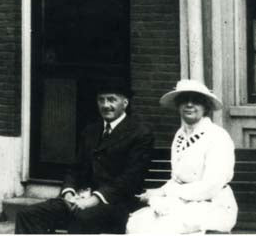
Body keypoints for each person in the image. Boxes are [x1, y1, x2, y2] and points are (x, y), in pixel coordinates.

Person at [15, 79, 154, 234]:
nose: (106, 105)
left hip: (117, 203)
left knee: (82, 218)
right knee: (27, 215)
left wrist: (94, 199)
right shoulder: (90, 131)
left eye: (112, 100)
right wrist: (68, 192)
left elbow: (130, 179)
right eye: (101, 100)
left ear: (125, 102)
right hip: (81, 200)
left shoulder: (140, 133)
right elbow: (74, 169)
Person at [126, 79, 238, 234]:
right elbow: (177, 179)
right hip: (183, 203)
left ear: (205, 107)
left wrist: (167, 194)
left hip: (213, 205)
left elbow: (211, 187)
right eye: (184, 100)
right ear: (178, 105)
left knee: (160, 229)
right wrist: (156, 192)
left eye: (196, 101)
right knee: (137, 224)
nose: (189, 105)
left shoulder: (217, 136)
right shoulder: (180, 135)